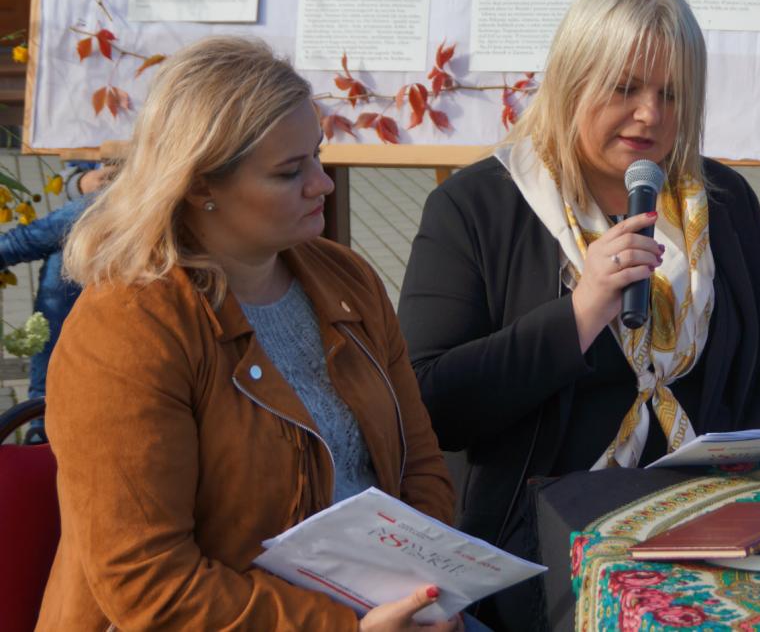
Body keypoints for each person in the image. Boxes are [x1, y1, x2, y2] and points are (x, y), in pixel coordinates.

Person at [399, 0, 760, 630]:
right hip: (542, 537)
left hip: (711, 513)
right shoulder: (476, 207)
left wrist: (740, 469)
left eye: (671, 94)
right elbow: (430, 404)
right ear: (573, 81)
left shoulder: (723, 201)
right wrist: (579, 314)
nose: (650, 114)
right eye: (625, 88)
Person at [39, 36, 461, 631]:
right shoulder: (128, 327)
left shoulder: (346, 279)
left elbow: (419, 464)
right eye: (290, 172)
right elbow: (148, 584)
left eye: (317, 155)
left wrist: (423, 594)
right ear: (200, 185)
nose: (323, 184)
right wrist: (346, 626)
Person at [1, 164, 113, 444]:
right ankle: (43, 422)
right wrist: (83, 181)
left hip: (140, 219)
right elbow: (67, 176)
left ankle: (41, 421)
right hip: (91, 236)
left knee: (101, 207)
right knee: (68, 249)